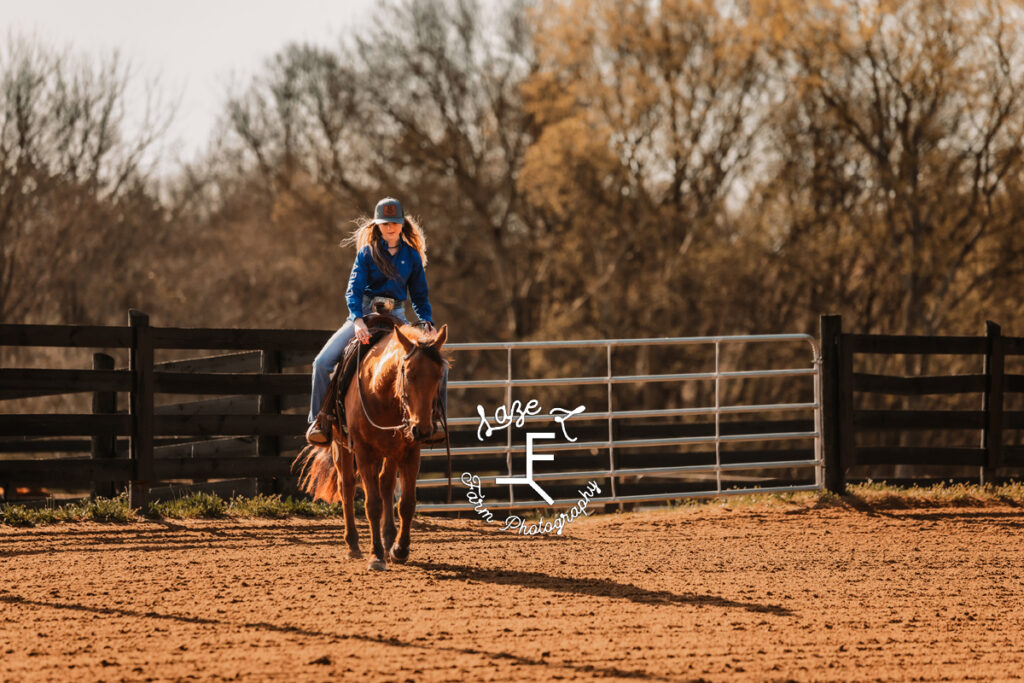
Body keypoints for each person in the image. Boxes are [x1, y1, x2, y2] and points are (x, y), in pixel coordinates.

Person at [306, 197, 447, 445]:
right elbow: (354, 290)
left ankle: (435, 420)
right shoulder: (366, 253)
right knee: (321, 362)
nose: (390, 228)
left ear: (402, 224)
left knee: (438, 365)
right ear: (377, 226)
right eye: (385, 224)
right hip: (365, 314)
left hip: (398, 316)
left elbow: (420, 295)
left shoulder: (412, 257)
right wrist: (357, 321)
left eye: (394, 223)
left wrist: (426, 321)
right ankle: (320, 421)